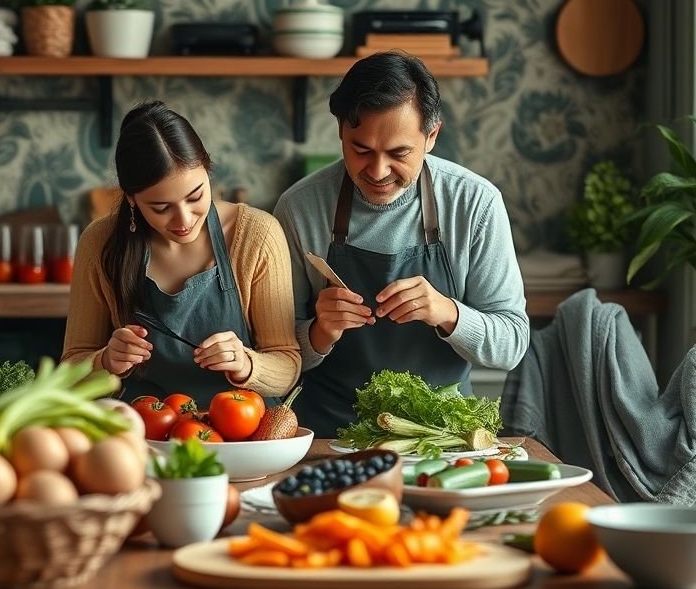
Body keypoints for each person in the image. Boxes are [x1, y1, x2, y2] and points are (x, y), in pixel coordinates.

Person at [273, 51, 529, 435]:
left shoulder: (474, 203)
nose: (377, 172)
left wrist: (448, 313)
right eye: (361, 150)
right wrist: (318, 332)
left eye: (399, 153)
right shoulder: (299, 207)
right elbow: (272, 352)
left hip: (443, 437)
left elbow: (511, 345)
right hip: (330, 435)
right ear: (341, 130)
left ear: (431, 137)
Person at [62, 101, 301, 404]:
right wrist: (105, 361)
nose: (184, 220)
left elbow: (289, 365)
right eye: (161, 208)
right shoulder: (99, 243)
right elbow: (69, 370)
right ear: (131, 199)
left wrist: (247, 363)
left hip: (240, 434)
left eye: (196, 196)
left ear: (208, 170)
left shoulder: (257, 234)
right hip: (143, 433)